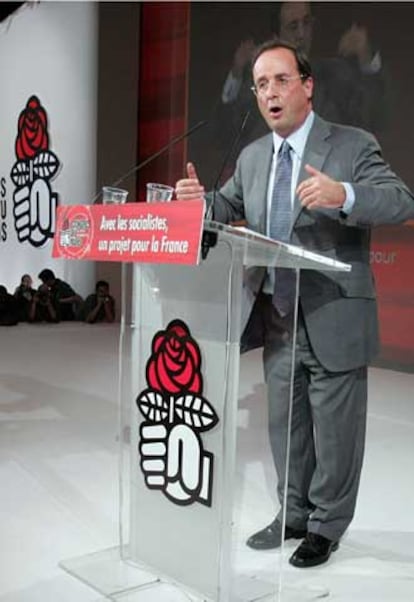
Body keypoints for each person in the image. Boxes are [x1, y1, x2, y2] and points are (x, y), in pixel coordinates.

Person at [175, 39, 414, 568]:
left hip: (332, 311)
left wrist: (344, 196)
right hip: (278, 312)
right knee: (286, 426)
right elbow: (231, 203)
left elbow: (400, 200)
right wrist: (201, 200)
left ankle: (326, 526)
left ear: (308, 86)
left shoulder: (352, 144)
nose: (270, 92)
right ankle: (294, 513)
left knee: (336, 431)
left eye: (281, 80)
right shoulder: (255, 156)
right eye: (261, 84)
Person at [215, 1, 388, 177]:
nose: (302, 34)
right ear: (277, 36)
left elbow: (375, 115)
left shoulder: (334, 76)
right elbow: (226, 134)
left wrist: (366, 59)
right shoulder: (259, 89)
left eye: (306, 23)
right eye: (293, 26)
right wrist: (236, 74)